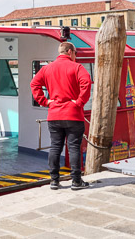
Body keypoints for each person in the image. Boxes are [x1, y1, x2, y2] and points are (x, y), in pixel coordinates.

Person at [30, 41, 91, 190]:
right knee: (74, 147)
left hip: (54, 114)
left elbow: (34, 84)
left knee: (55, 147)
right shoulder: (77, 67)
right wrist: (79, 102)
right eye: (75, 53)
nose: (75, 56)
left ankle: (54, 181)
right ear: (70, 52)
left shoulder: (47, 68)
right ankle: (76, 181)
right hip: (73, 114)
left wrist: (44, 101)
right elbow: (87, 82)